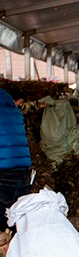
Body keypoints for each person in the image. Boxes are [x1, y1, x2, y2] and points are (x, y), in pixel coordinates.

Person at [0, 89, 31, 233]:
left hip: (3, 170)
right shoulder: (14, 110)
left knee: (2, 219)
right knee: (16, 214)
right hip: (22, 169)